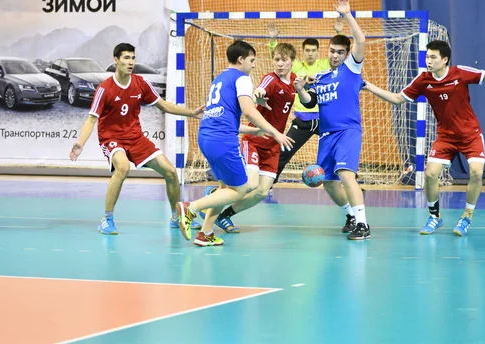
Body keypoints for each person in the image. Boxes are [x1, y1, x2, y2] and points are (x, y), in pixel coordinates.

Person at [364, 40, 485, 236]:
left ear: (445, 60)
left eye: (433, 57)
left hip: (470, 135)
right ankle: (435, 217)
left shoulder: (459, 73)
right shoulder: (423, 80)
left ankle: (467, 217)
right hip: (446, 137)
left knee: (476, 173)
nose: (429, 61)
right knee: (430, 174)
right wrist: (369, 86)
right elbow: (398, 99)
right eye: (427, 57)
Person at [69, 43, 205, 235]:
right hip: (111, 138)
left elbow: (164, 105)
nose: (131, 62)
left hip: (136, 137)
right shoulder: (104, 89)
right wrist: (80, 143)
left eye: (133, 58)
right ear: (116, 60)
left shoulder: (140, 83)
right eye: (126, 58)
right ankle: (106, 219)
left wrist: (191, 113)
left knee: (171, 172)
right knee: (122, 167)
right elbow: (92, 119)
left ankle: (176, 217)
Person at [176, 40, 294, 246]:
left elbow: (227, 119)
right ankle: (191, 208)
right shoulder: (242, 78)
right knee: (240, 189)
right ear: (241, 59)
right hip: (223, 141)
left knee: (225, 189)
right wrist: (275, 132)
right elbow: (249, 111)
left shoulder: (220, 79)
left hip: (206, 137)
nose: (254, 65)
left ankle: (205, 233)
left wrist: (256, 130)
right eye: (252, 60)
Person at [295, 0, 371, 240]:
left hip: (347, 131)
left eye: (340, 52)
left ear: (347, 54)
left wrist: (346, 14)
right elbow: (310, 102)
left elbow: (361, 40)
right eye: (332, 51)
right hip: (326, 135)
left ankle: (363, 225)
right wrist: (300, 90)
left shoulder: (351, 68)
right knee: (328, 182)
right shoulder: (322, 77)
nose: (335, 55)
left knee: (346, 176)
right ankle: (350, 215)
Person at [267, 21, 342, 187]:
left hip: (324, 120)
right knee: (284, 151)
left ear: (318, 52)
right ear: (302, 52)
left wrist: (339, 32)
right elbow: (280, 57)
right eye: (307, 50)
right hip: (303, 122)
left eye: (313, 50)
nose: (310, 54)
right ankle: (269, 183)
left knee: (341, 150)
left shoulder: (324, 64)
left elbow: (340, 57)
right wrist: (273, 40)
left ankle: (349, 183)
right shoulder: (296, 66)